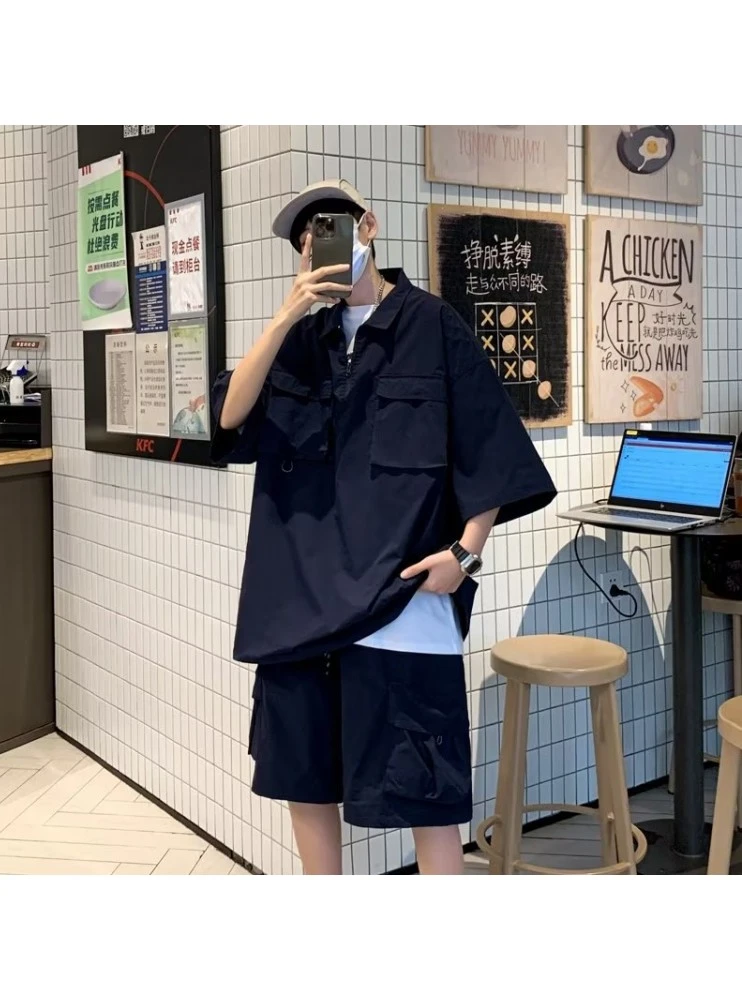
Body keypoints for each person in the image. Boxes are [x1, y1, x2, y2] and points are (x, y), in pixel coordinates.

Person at [212, 179, 556, 875]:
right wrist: (285, 315)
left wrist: (465, 553)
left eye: (332, 227)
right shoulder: (298, 341)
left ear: (367, 226)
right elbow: (228, 417)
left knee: (428, 793)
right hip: (297, 607)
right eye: (305, 240)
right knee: (306, 781)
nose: (319, 244)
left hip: (403, 604)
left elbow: (488, 445)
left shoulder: (432, 325)